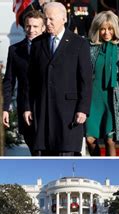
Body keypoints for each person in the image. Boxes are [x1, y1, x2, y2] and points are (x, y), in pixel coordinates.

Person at [24, 1, 92, 156]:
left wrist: (83, 109)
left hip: (68, 112)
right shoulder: (37, 43)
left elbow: (86, 80)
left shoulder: (79, 43)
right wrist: (28, 106)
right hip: (43, 109)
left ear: (64, 19)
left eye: (51, 19)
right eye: (45, 19)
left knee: (66, 153)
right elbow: (31, 79)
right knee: (45, 153)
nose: (47, 23)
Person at [86, 11, 119, 156]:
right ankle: (97, 160)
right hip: (92, 98)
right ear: (97, 29)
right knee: (89, 139)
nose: (106, 32)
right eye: (103, 29)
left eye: (110, 29)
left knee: (110, 140)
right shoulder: (89, 47)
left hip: (111, 98)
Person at [2, 11, 45, 155]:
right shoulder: (14, 50)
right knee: (32, 146)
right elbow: (9, 80)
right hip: (24, 106)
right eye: (28, 26)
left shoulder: (50, 49)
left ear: (43, 28)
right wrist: (5, 108)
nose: (31, 30)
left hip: (45, 107)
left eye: (35, 26)